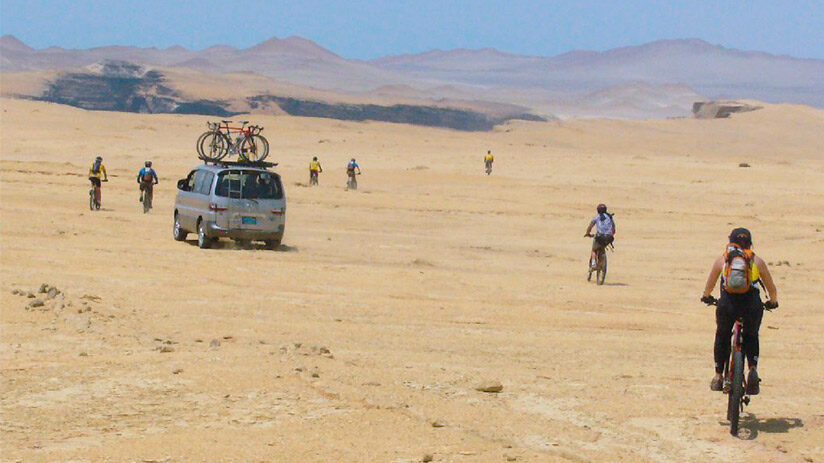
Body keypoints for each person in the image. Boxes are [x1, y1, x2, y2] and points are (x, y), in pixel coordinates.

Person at [701, 228, 778, 395]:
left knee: (722, 334)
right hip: (751, 306)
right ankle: (752, 369)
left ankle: (718, 375)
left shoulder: (723, 260)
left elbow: (709, 286)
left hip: (727, 306)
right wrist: (773, 302)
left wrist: (707, 297)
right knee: (751, 335)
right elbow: (771, 289)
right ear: (750, 242)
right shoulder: (756, 261)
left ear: (730, 241)